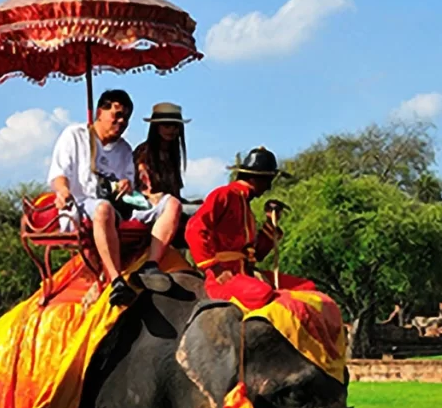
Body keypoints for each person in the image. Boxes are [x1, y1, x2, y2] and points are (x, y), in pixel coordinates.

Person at [47, 89, 181, 306]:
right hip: (83, 204)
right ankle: (115, 280)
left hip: (123, 205)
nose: (121, 122)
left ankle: (151, 266)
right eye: (117, 115)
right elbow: (58, 175)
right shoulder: (75, 135)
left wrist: (131, 188)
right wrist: (62, 191)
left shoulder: (124, 149)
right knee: (103, 208)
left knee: (173, 204)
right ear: (100, 111)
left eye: (126, 118)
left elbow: (131, 191)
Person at [184, 146, 286, 283]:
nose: (268, 188)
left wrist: (271, 221)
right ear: (255, 178)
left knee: (304, 287)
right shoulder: (225, 195)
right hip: (226, 275)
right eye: (267, 181)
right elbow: (194, 229)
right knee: (263, 294)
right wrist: (214, 269)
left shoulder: (245, 206)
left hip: (244, 273)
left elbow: (258, 253)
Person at [133, 101, 188, 204]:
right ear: (156, 127)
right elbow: (142, 192)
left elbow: (174, 194)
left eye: (176, 126)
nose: (171, 130)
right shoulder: (143, 153)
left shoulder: (173, 155)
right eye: (167, 126)